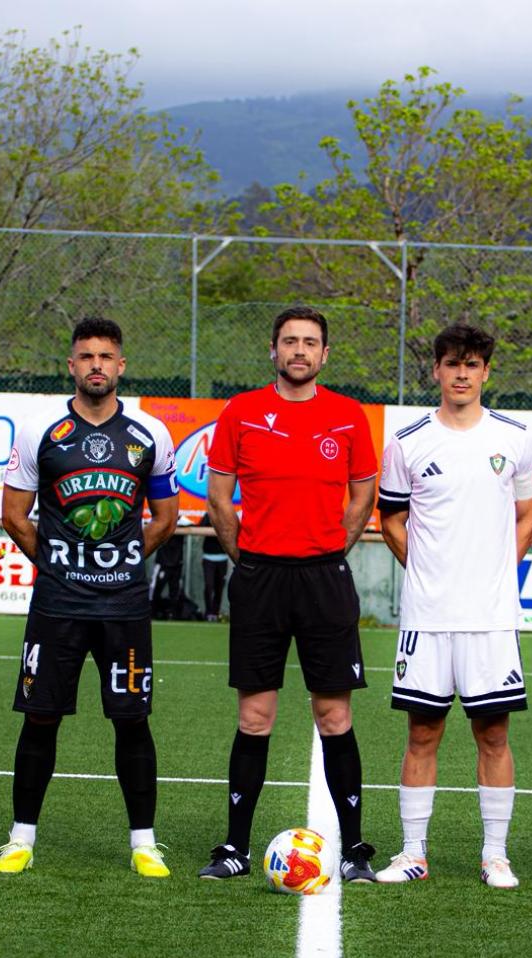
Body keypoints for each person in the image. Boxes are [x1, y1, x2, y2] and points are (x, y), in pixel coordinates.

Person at [198, 305, 380, 883]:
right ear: (273, 351)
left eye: (310, 342)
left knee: (334, 714)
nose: (299, 350)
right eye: (289, 341)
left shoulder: (348, 417)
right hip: (260, 580)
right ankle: (234, 848)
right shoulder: (242, 413)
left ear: (325, 354)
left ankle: (353, 849)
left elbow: (362, 496)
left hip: (324, 579)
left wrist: (331, 550)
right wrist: (248, 558)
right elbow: (220, 500)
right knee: (255, 717)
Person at [0, 317, 178, 878]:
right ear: (70, 366)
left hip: (124, 607)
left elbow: (166, 517)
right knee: (40, 718)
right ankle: (20, 839)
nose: (96, 365)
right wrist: (57, 564)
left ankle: (144, 844)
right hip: (57, 606)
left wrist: (120, 559)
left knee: (131, 720)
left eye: (106, 356)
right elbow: (13, 515)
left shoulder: (150, 435)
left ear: (121, 366)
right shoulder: (39, 433)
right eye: (86, 356)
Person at [374, 324, 532, 889]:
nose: (462, 374)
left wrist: (499, 571)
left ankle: (496, 854)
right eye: (452, 364)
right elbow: (390, 518)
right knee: (423, 734)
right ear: (438, 371)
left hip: (491, 619)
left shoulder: (516, 438)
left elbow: (527, 515)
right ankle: (413, 853)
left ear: (486, 372)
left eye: (472, 365)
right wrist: (421, 568)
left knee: (493, 735)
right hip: (428, 616)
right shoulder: (409, 440)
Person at [198, 511, 230, 621]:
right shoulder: (208, 515)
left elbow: (230, 530)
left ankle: (215, 613)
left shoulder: (227, 515)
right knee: (209, 585)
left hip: (222, 558)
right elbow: (200, 529)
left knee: (219, 587)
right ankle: (208, 612)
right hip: (208, 557)